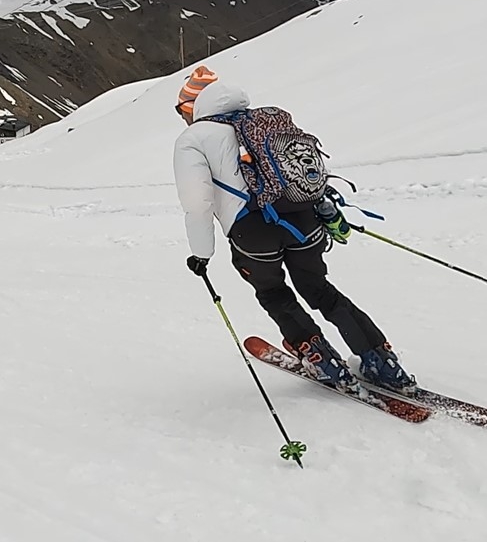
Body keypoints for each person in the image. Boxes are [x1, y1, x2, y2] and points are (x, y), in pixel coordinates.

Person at [171, 67, 416, 395]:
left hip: (252, 232)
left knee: (273, 292)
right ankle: (382, 361)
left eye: (183, 108)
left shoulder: (193, 139)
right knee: (319, 288)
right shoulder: (268, 121)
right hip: (304, 219)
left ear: (194, 106)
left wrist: (202, 253)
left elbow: (197, 201)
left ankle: (321, 358)